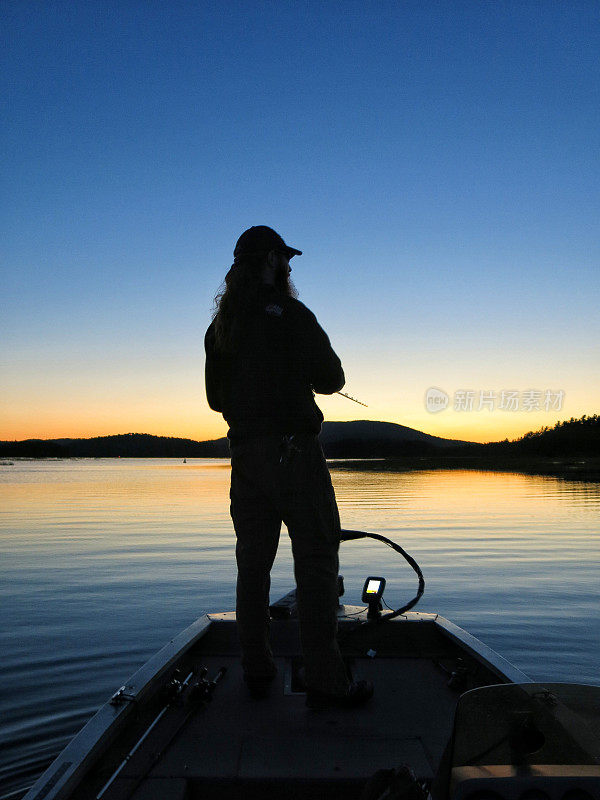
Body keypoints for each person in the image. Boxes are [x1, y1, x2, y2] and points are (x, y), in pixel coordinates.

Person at [204, 225, 373, 709]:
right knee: (317, 563)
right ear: (271, 260)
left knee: (252, 567)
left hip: (246, 462)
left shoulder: (220, 327)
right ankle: (326, 682)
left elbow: (217, 400)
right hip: (295, 456)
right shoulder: (294, 315)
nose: (291, 267)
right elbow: (333, 378)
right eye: (286, 259)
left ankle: (257, 671)